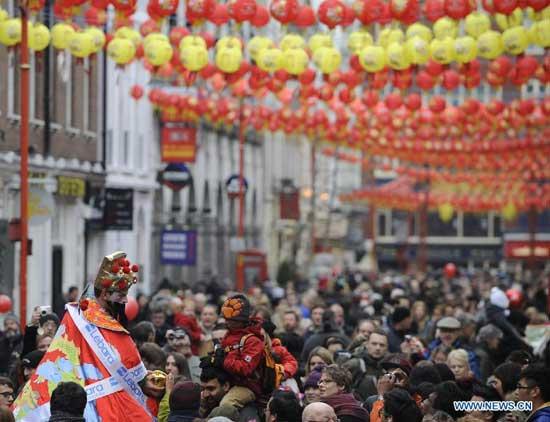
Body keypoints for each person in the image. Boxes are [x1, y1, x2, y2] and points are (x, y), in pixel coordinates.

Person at [12, 251, 163, 421]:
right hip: (100, 404)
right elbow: (131, 363)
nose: (126, 301)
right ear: (105, 294)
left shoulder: (76, 314)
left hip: (79, 399)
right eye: (121, 295)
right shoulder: (90, 322)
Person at [343, 328, 388, 400]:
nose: (378, 348)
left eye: (382, 345)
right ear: (367, 344)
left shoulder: (388, 368)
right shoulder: (355, 364)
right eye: (374, 344)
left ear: (387, 347)